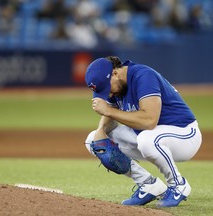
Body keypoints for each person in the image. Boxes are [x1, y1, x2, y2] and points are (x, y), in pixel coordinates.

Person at [84, 56, 202, 207]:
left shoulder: (143, 76)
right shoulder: (117, 86)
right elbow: (112, 110)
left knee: (147, 139)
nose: (109, 95)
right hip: (152, 136)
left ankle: (178, 185)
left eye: (107, 89)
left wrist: (107, 111)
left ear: (115, 73)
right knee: (93, 140)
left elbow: (149, 121)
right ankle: (148, 184)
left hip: (184, 135)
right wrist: (101, 131)